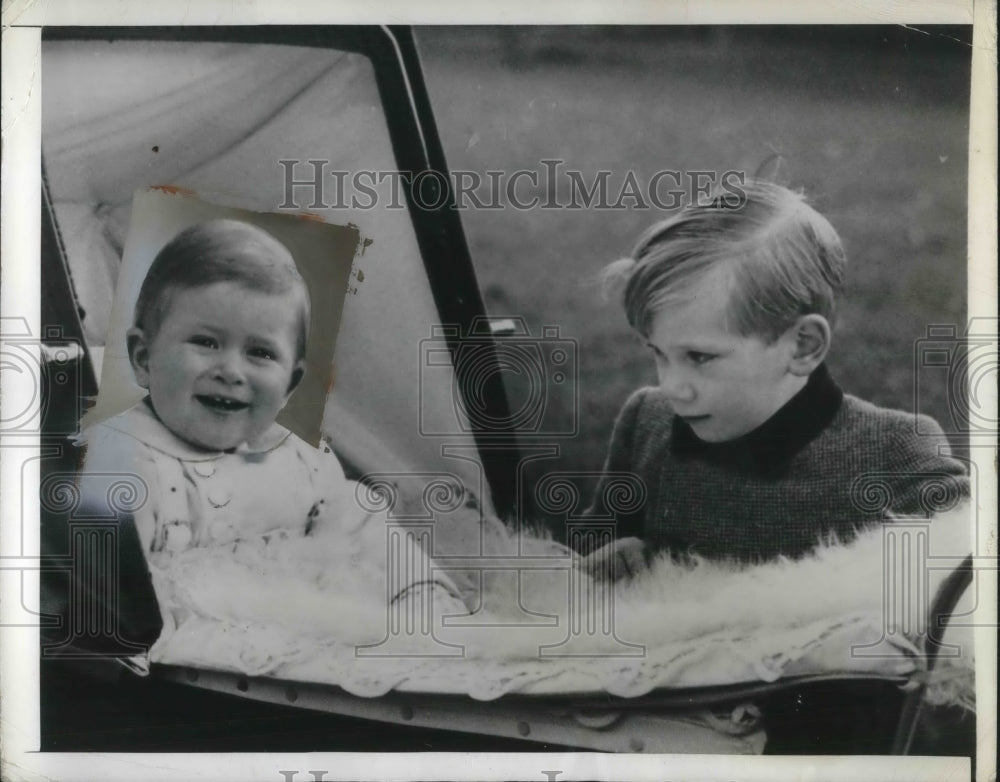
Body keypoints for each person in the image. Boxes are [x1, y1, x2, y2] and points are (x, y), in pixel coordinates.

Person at [77, 219, 465, 638]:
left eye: (260, 352)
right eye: (205, 342)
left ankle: (428, 604)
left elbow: (359, 533)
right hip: (201, 663)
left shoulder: (297, 458)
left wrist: (409, 588)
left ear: (290, 384)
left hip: (316, 642)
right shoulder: (127, 461)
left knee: (357, 505)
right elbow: (107, 593)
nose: (230, 371)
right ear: (143, 357)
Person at [582, 181, 969, 577]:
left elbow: (970, 583)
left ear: (803, 346)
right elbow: (585, 559)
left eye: (699, 356)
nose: (671, 387)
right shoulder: (648, 424)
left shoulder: (893, 454)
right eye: (658, 353)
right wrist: (611, 558)